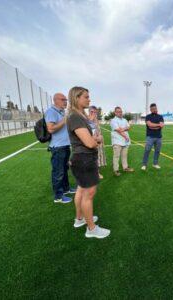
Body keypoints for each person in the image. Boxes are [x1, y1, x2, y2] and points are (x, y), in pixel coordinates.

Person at [67, 86, 110, 239]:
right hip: (84, 159)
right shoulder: (75, 116)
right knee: (88, 194)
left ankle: (80, 219)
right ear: (76, 98)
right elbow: (90, 143)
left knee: (81, 190)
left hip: (82, 159)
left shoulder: (78, 115)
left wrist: (93, 136)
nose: (89, 99)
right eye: (86, 97)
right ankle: (91, 229)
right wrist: (97, 140)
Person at [45, 93, 75, 204]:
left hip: (65, 145)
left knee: (64, 169)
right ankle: (58, 196)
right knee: (58, 172)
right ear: (55, 100)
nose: (65, 101)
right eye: (63, 100)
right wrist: (65, 119)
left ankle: (66, 189)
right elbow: (51, 129)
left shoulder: (61, 112)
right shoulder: (51, 111)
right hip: (58, 147)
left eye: (66, 100)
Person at [110, 106, 134, 176]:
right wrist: (125, 136)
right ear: (115, 113)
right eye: (118, 112)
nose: (120, 113)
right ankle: (116, 170)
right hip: (117, 141)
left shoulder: (124, 120)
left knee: (124, 155)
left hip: (125, 141)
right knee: (116, 156)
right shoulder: (113, 120)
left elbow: (129, 127)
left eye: (121, 112)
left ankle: (125, 167)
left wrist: (123, 129)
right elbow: (118, 130)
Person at [142, 103, 164, 170]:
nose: (154, 109)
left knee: (157, 151)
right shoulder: (148, 116)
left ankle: (155, 164)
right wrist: (158, 125)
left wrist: (153, 125)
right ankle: (144, 164)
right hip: (150, 137)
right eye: (153, 109)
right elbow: (149, 125)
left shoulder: (160, 116)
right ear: (150, 110)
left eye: (155, 108)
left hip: (159, 137)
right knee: (147, 150)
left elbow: (162, 125)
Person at [88, 106, 107, 179]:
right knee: (92, 158)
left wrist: (100, 137)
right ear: (89, 111)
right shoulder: (87, 119)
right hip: (91, 142)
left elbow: (98, 130)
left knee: (98, 157)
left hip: (99, 142)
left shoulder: (96, 120)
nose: (94, 113)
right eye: (92, 112)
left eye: (95, 112)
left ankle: (97, 172)